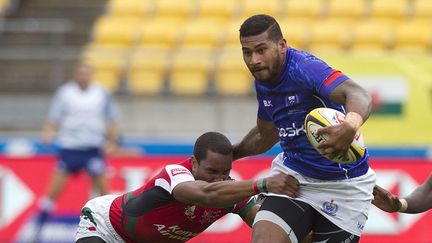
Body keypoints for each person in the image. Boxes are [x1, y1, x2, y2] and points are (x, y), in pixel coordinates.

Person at [233, 14, 376, 243]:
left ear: (281, 45)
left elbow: (358, 94)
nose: (254, 60)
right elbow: (266, 133)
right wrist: (232, 154)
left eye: (261, 50)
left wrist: (350, 125)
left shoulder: (305, 68)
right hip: (295, 179)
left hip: (345, 186)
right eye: (247, 52)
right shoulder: (263, 77)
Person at [75, 131, 300, 243]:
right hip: (106, 228)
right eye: (212, 171)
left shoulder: (230, 192)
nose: (219, 179)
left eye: (226, 173)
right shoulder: (174, 174)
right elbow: (205, 195)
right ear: (193, 163)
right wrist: (263, 184)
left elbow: (269, 225)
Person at [37, 61, 120, 225]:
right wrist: (48, 133)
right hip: (70, 147)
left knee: (105, 193)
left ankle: (111, 226)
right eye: (81, 73)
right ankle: (38, 227)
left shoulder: (101, 93)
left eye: (86, 73)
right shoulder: (65, 93)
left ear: (91, 74)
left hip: (92, 148)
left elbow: (112, 119)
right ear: (76, 74)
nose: (83, 76)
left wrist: (111, 141)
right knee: (53, 191)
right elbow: (54, 117)